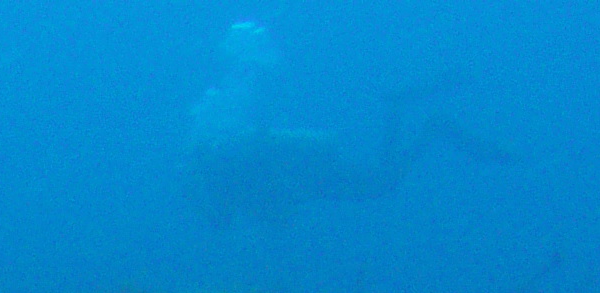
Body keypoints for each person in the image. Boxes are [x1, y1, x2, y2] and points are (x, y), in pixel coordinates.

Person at [182, 21, 512, 229]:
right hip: (318, 172)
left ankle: (426, 121)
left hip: (321, 176)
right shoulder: (227, 166)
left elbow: (277, 199)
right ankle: (405, 108)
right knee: (382, 177)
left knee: (383, 183)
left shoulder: (229, 174)